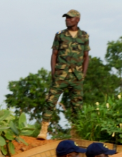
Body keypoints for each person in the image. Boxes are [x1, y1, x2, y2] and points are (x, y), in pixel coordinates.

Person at [37, 9, 90, 140]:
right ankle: (44, 130)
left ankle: (76, 133)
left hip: (76, 76)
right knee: (50, 100)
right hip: (61, 74)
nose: (67, 20)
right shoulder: (60, 35)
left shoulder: (84, 36)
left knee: (77, 105)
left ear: (77, 19)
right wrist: (53, 73)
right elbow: (54, 54)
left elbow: (86, 56)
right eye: (66, 18)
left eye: (70, 18)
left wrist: (83, 74)